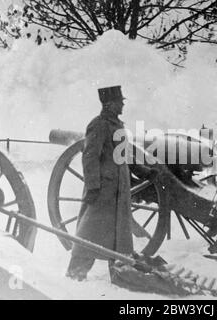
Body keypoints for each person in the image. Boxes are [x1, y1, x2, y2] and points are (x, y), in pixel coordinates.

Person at [66, 85, 134, 281]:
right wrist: (94, 187)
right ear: (110, 104)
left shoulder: (117, 125)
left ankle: (119, 274)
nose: (122, 104)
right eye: (120, 101)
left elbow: (123, 158)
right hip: (103, 190)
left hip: (118, 190)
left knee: (118, 235)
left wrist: (145, 172)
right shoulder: (99, 125)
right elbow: (90, 157)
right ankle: (75, 273)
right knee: (90, 232)